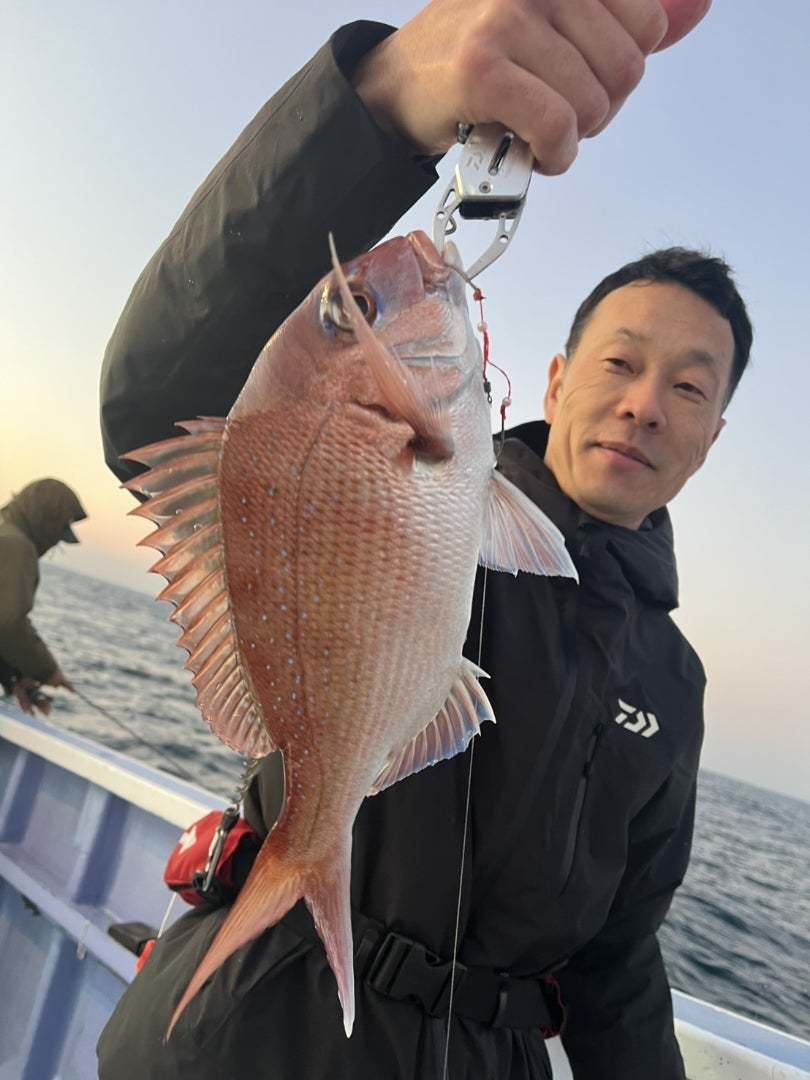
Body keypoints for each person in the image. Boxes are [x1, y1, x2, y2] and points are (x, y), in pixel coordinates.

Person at [97, 3, 752, 1077]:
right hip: (252, 1031)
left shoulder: (673, 679)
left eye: (688, 387)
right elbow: (163, 406)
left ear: (713, 435)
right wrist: (384, 105)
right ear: (553, 381)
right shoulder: (433, 504)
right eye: (620, 363)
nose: (643, 405)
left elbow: (618, 964)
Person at [0, 479, 86, 717]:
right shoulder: (17, 547)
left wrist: (13, 676)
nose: (56, 542)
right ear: (45, 522)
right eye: (58, 531)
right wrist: (47, 671)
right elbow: (8, 625)